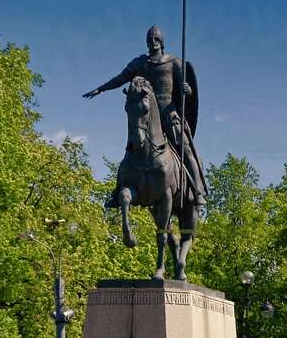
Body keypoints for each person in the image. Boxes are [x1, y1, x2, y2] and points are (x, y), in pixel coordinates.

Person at [84, 25, 207, 207]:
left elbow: (186, 88)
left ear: (162, 42)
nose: (153, 43)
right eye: (150, 40)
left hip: (168, 113)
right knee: (131, 149)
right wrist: (101, 88)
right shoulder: (139, 63)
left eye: (156, 39)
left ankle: (197, 191)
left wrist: (187, 90)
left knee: (186, 149)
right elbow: (120, 79)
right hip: (145, 113)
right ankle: (117, 191)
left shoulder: (174, 62)